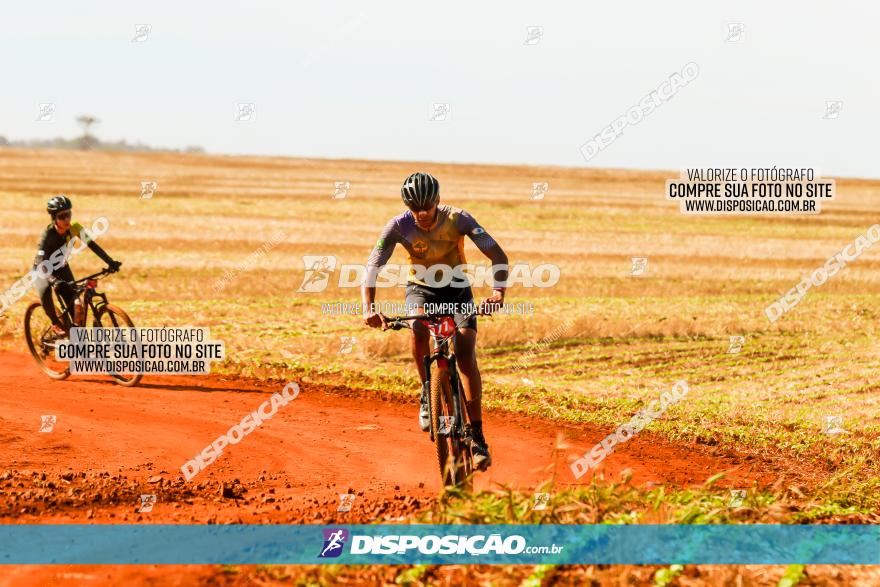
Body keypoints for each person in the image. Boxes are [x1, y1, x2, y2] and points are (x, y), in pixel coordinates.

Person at [361, 172, 508, 470]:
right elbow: (372, 266)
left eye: (427, 207)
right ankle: (428, 393)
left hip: (457, 289)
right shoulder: (398, 226)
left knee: (465, 349)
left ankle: (477, 435)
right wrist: (369, 308)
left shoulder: (459, 219)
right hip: (421, 290)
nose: (422, 214)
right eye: (415, 208)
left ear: (438, 202)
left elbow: (497, 254)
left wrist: (497, 292)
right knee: (417, 330)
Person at [33, 195, 121, 336]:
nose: (67, 219)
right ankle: (55, 322)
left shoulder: (75, 228)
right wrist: (53, 280)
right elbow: (40, 263)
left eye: (68, 214)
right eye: (62, 216)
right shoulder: (48, 235)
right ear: (54, 218)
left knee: (75, 304)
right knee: (45, 293)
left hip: (61, 268)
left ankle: (75, 338)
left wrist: (110, 261)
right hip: (43, 270)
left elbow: (93, 245)